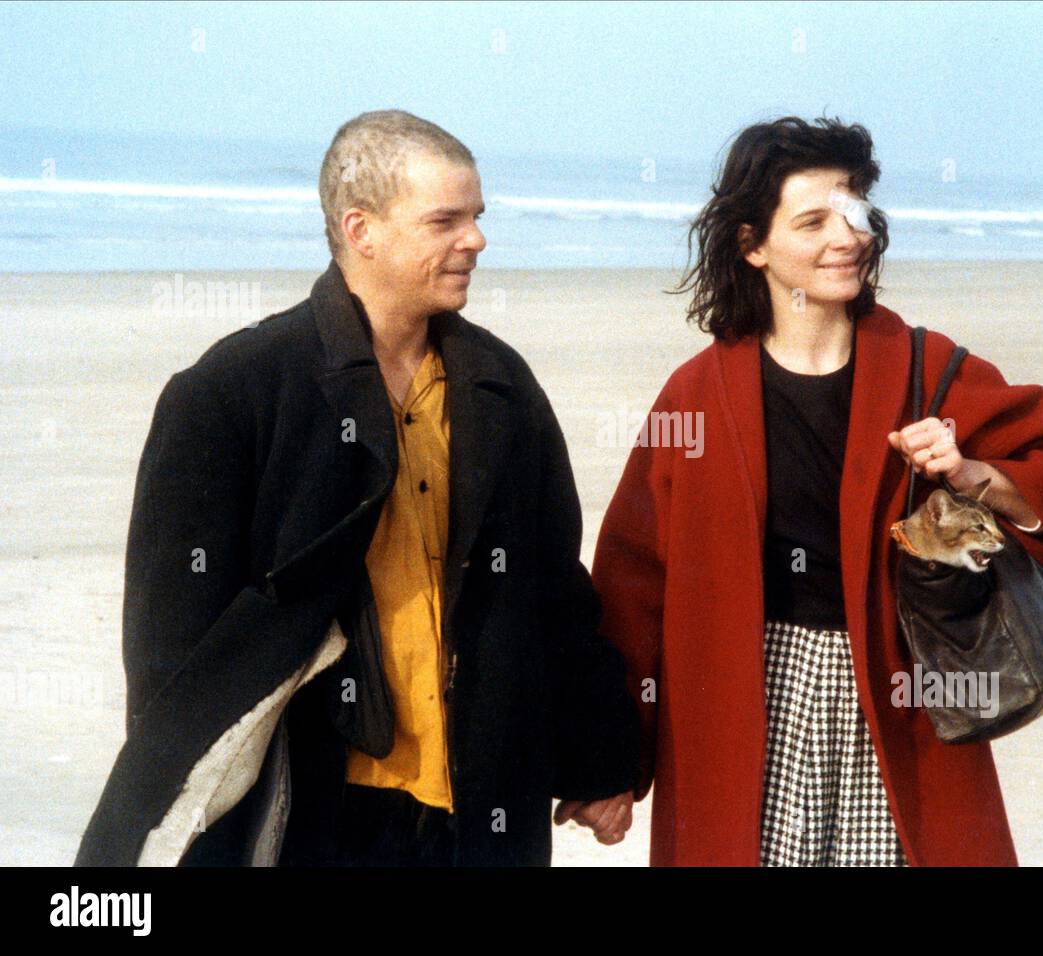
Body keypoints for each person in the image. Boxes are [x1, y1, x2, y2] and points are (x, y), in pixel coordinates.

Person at [75, 110, 638, 867]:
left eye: (476, 218)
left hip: (478, 807)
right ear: (361, 230)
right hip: (315, 815)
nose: (475, 240)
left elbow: (553, 591)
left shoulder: (501, 387)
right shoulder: (232, 393)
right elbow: (171, 653)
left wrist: (600, 756)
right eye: (446, 220)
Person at [590, 116, 1043, 866]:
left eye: (856, 211)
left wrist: (972, 475)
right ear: (752, 245)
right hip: (741, 706)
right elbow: (633, 582)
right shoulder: (694, 398)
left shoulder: (930, 369)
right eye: (813, 221)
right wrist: (613, 764)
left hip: (897, 704)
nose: (848, 236)